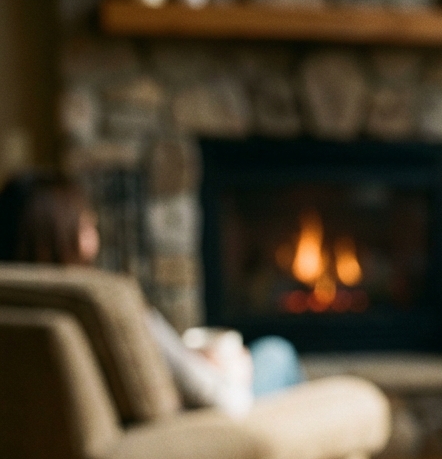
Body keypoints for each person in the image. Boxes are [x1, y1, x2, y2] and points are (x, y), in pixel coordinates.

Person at [0, 172, 303, 416]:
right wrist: (237, 372)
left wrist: (193, 360)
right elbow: (226, 402)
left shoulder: (20, 306)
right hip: (196, 428)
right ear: (69, 235)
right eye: (84, 221)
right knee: (277, 353)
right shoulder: (108, 302)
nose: (93, 227)